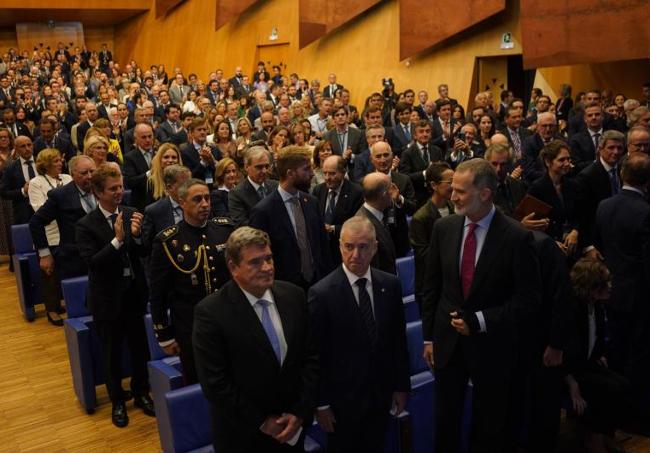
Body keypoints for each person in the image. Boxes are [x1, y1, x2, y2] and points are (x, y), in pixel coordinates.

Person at [421, 158, 540, 452]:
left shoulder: (517, 237)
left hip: (493, 346)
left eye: (460, 191)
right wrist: (428, 338)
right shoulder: (443, 227)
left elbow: (529, 301)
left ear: (485, 194)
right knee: (446, 421)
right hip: (447, 345)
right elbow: (431, 288)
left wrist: (482, 320)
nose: (452, 196)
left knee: (489, 425)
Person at [192, 226, 318, 452]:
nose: (267, 267)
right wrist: (263, 422)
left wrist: (299, 412)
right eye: (255, 262)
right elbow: (215, 384)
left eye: (269, 258)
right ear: (233, 267)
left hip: (293, 431)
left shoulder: (294, 296)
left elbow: (310, 358)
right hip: (244, 436)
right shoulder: (210, 313)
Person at [309, 216, 410, 452]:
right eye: (349, 246)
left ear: (375, 247)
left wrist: (400, 386)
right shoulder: (321, 294)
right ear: (340, 246)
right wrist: (321, 404)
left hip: (381, 395)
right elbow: (315, 355)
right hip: (342, 402)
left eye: (363, 247)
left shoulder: (391, 285)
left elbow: (398, 341)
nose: (355, 254)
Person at [75, 163, 154, 428]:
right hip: (107, 299)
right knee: (111, 353)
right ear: (98, 192)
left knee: (139, 347)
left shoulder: (132, 213)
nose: (119, 192)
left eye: (120, 186)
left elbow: (143, 253)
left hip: (134, 294)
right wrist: (118, 240)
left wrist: (137, 238)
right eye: (113, 189)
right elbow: (94, 263)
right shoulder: (86, 225)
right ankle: (118, 400)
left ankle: (141, 392)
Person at [149, 178, 233, 384]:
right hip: (190, 325)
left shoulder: (225, 229)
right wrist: (164, 335)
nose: (205, 204)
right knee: (198, 379)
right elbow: (158, 293)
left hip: (227, 319)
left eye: (207, 198)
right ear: (182, 202)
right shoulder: (169, 242)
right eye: (197, 199)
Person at [564, 258, 638, 453]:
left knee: (623, 385)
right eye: (606, 283)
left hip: (586, 363)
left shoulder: (595, 305)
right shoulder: (571, 309)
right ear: (592, 286)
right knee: (605, 389)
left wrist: (598, 354)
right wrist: (572, 384)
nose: (610, 286)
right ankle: (593, 438)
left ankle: (604, 433)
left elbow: (594, 338)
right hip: (568, 371)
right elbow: (562, 351)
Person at [595, 152, 650, 409]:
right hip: (638, 294)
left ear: (621, 174)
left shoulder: (604, 206)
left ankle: (613, 404)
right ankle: (631, 405)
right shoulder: (645, 211)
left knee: (615, 347)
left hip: (610, 288)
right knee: (637, 352)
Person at [250, 146, 332, 290]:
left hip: (317, 283)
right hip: (285, 289)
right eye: (306, 169)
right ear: (290, 173)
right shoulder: (263, 211)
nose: (312, 174)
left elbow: (323, 246)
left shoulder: (312, 202)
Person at [29, 155, 97, 280]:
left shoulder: (102, 188)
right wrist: (44, 254)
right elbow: (36, 222)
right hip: (73, 258)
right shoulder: (61, 195)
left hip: (101, 255)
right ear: (72, 174)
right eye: (84, 173)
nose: (89, 176)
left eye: (92, 171)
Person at [27, 148, 71, 325]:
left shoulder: (67, 178)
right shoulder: (36, 183)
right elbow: (39, 209)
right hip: (49, 234)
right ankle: (51, 309)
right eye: (55, 161)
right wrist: (61, 203)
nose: (60, 163)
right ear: (45, 165)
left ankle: (66, 302)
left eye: (60, 160)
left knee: (68, 271)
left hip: (68, 232)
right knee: (50, 275)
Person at [575, 130, 626, 259]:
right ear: (600, 149)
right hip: (599, 240)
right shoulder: (586, 176)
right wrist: (588, 246)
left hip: (622, 235)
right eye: (611, 147)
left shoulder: (625, 170)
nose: (615, 152)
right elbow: (582, 214)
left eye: (619, 148)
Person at [409, 162, 454, 307]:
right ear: (434, 185)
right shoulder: (421, 217)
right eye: (450, 182)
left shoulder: (455, 208)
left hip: (451, 283)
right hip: (432, 288)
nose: (454, 186)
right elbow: (423, 256)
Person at [527, 140, 580, 253]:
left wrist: (575, 231)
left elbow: (580, 215)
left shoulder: (573, 185)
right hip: (549, 248)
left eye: (568, 159)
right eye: (561, 160)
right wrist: (551, 242)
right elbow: (532, 224)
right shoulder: (537, 188)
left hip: (573, 245)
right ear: (548, 162)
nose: (567, 163)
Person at [312, 155, 364, 265]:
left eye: (332, 173)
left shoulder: (356, 193)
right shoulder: (318, 190)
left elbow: (358, 226)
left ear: (343, 172)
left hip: (345, 252)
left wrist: (333, 229)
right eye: (324, 173)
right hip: (323, 252)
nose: (327, 178)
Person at [141, 164, 191, 252]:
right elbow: (148, 247)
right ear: (169, 187)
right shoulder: (154, 211)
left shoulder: (198, 204)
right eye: (183, 185)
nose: (188, 189)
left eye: (190, 184)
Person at [229, 146, 278, 227]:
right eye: (259, 167)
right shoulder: (236, 194)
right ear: (246, 167)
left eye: (266, 166)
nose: (264, 171)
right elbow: (242, 224)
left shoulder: (276, 186)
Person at [399, 120, 444, 206]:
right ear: (415, 135)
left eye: (427, 131)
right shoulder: (407, 153)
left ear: (431, 134)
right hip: (417, 196)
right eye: (421, 131)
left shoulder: (437, 150)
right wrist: (425, 173)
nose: (425, 134)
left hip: (435, 196)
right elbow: (405, 177)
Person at [1, 135, 37, 225]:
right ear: (16, 149)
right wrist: (22, 191)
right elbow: (4, 193)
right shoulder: (10, 168)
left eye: (29, 145)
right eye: (23, 146)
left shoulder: (42, 162)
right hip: (23, 214)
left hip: (45, 211)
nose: (27, 148)